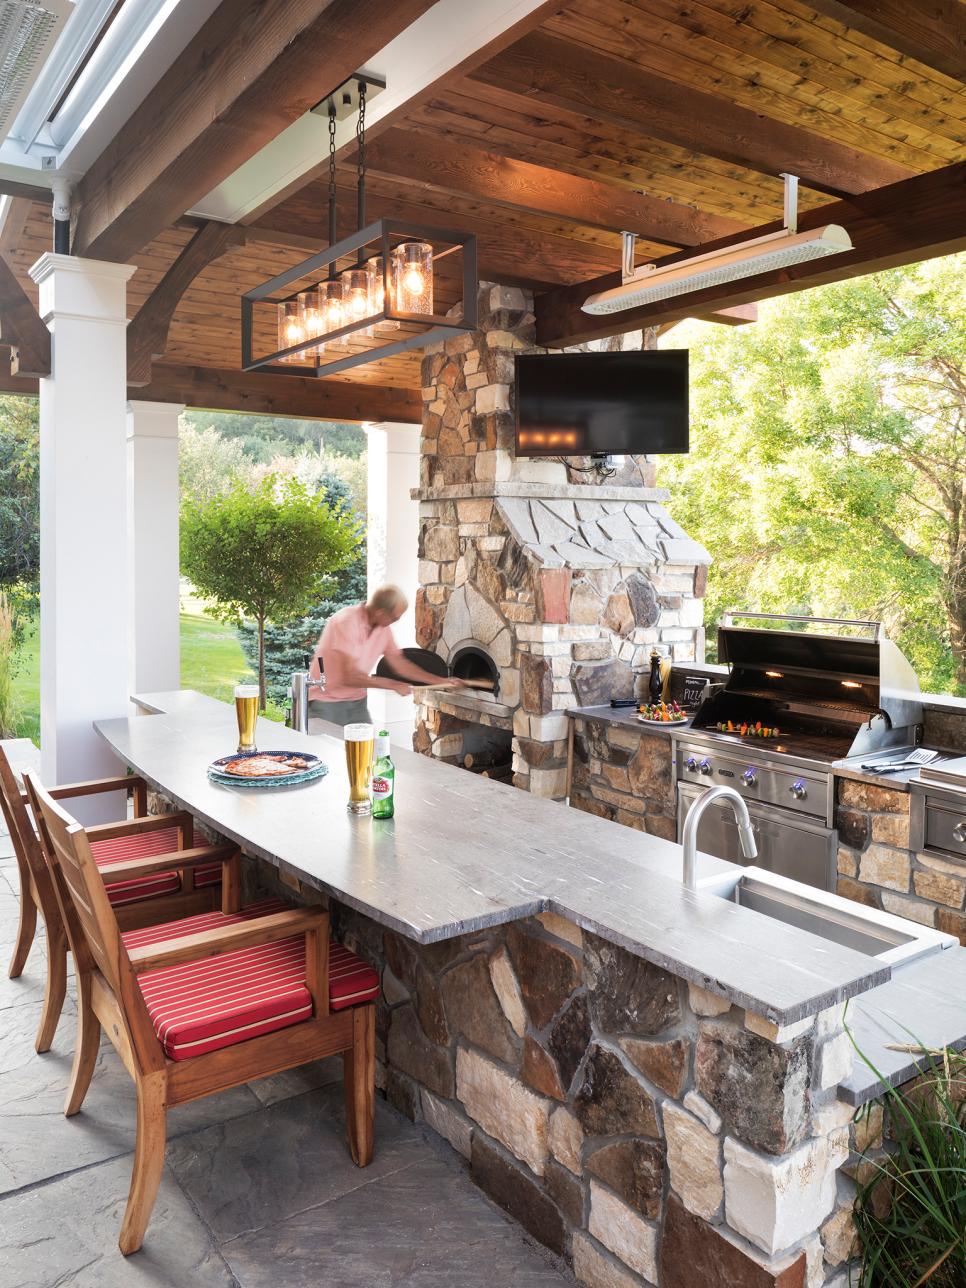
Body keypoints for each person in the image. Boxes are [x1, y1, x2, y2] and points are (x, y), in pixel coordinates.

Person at [307, 584, 459, 729]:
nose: (395, 622)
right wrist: (393, 685)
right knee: (328, 753)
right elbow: (350, 677)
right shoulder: (346, 622)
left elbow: (401, 664)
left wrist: (442, 681)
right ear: (380, 613)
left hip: (356, 700)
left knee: (365, 753)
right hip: (326, 701)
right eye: (395, 618)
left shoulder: (382, 629)